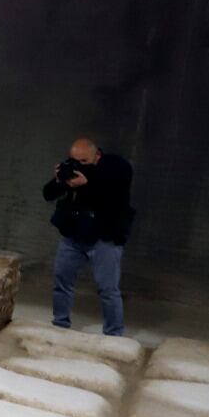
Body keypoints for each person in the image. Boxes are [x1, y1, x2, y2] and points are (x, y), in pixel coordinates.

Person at [42, 137, 133, 336]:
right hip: (73, 237)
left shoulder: (116, 168)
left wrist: (87, 184)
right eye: (74, 160)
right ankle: (60, 324)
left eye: (84, 161)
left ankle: (114, 334)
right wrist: (59, 180)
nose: (78, 165)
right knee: (61, 281)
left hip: (104, 239)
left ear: (97, 155)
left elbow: (116, 198)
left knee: (108, 290)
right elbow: (47, 194)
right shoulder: (72, 172)